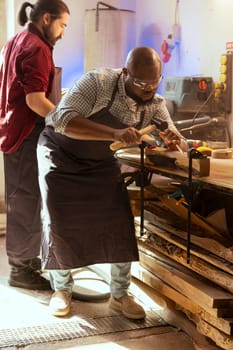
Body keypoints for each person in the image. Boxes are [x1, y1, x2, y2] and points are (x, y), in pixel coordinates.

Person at [37, 46, 186, 318]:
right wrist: (114, 131)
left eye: (155, 82)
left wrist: (174, 140)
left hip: (100, 160)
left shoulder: (155, 103)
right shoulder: (98, 83)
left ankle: (120, 295)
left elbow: (173, 134)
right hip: (61, 155)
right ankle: (61, 290)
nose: (148, 89)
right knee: (60, 219)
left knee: (119, 220)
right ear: (126, 73)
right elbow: (62, 119)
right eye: (142, 83)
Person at [0, 0, 70, 290]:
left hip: (13, 129)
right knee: (26, 203)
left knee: (23, 201)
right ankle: (21, 271)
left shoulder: (17, 39)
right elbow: (34, 101)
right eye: (62, 25)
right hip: (25, 134)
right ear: (45, 18)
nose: (63, 32)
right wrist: (65, 120)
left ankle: (26, 263)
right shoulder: (37, 47)